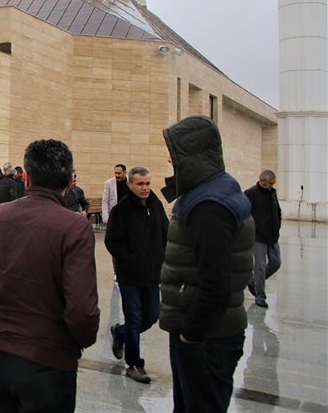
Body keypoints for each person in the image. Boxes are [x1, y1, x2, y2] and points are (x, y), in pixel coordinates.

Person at [0, 139, 99, 412]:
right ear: (70, 180)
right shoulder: (74, 227)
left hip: (1, 358)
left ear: (26, 177)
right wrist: (78, 340)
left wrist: (5, 311)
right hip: (50, 363)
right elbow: (82, 311)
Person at [160, 115, 255, 413]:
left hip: (206, 337)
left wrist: (190, 333)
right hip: (209, 333)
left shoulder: (208, 205)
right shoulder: (216, 189)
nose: (168, 158)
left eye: (173, 153)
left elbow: (216, 283)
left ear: (191, 155)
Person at [104, 166, 168, 384]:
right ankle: (134, 364)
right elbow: (111, 241)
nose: (145, 188)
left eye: (148, 183)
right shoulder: (121, 210)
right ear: (130, 184)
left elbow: (165, 233)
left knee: (151, 316)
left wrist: (162, 257)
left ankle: (119, 333)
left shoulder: (155, 205)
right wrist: (128, 260)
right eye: (140, 184)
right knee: (134, 319)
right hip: (130, 276)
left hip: (152, 274)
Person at [245, 170, 282, 308]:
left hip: (272, 235)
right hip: (258, 236)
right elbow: (245, 213)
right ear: (263, 181)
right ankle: (260, 296)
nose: (272, 186)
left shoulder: (272, 193)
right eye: (270, 183)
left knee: (276, 262)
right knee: (259, 266)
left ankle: (254, 281)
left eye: (273, 184)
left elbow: (277, 211)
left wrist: (277, 226)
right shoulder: (251, 193)